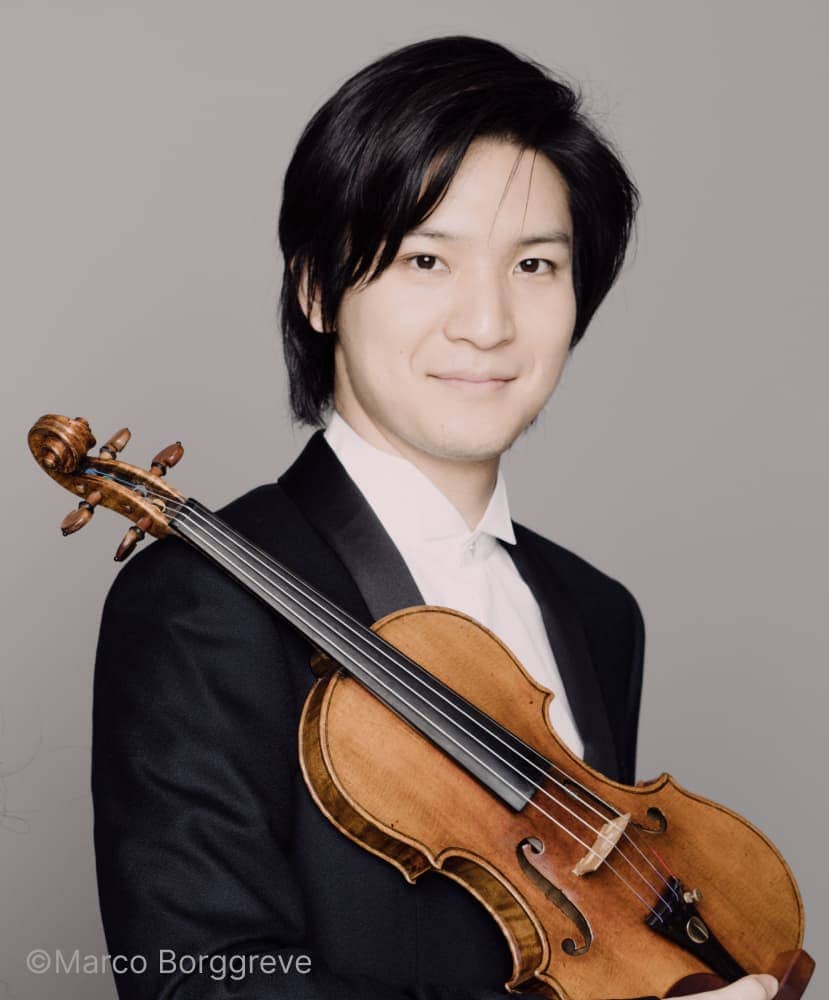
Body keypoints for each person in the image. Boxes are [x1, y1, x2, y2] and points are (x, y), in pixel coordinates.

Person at [92, 34, 780, 1000]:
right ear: (317, 289)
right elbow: (198, 984)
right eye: (426, 259)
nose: (487, 324)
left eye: (534, 265)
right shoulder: (198, 606)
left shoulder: (597, 612)